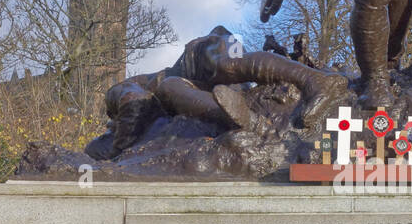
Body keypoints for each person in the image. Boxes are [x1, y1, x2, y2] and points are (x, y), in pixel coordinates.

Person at [88, 26, 346, 159]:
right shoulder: (161, 106)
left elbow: (132, 102)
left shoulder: (129, 89)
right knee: (188, 84)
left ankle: (316, 80)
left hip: (201, 54)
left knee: (223, 66)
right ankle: (246, 120)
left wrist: (116, 153)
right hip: (222, 92)